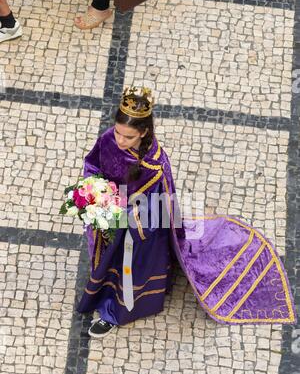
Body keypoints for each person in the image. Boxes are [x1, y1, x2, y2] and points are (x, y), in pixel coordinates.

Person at [77, 87, 296, 338]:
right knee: (104, 256)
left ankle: (115, 312)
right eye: (117, 132)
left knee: (130, 264)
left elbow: (159, 205)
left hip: (139, 228)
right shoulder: (107, 139)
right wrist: (93, 191)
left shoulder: (154, 163)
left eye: (127, 137)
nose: (120, 140)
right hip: (109, 213)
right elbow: (93, 164)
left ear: (143, 132)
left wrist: (124, 212)